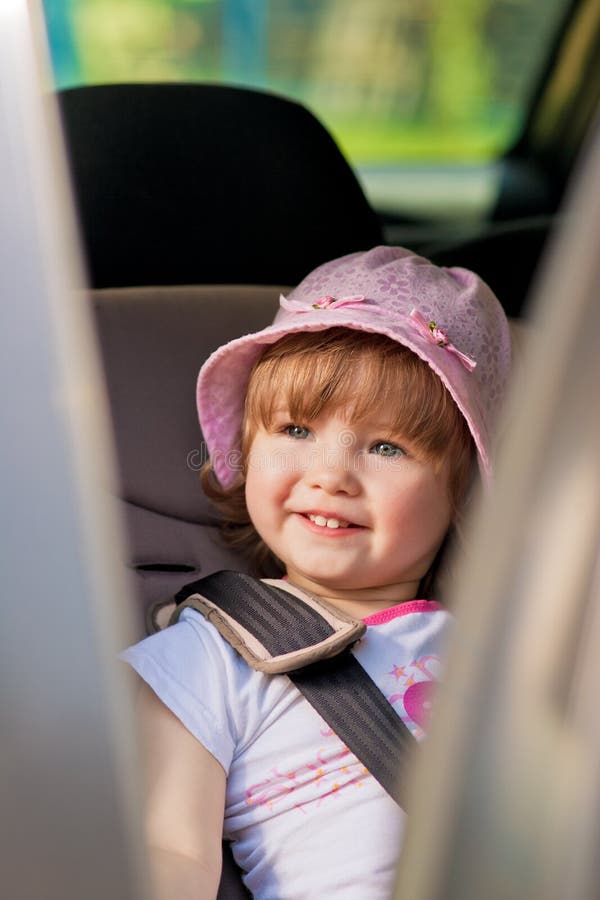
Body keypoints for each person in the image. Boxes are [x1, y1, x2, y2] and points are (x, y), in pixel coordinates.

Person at [122, 245, 511, 899]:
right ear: (247, 449)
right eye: (296, 429)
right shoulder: (209, 656)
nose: (330, 475)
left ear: (461, 492)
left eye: (387, 447)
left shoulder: (508, 644)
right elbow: (170, 852)